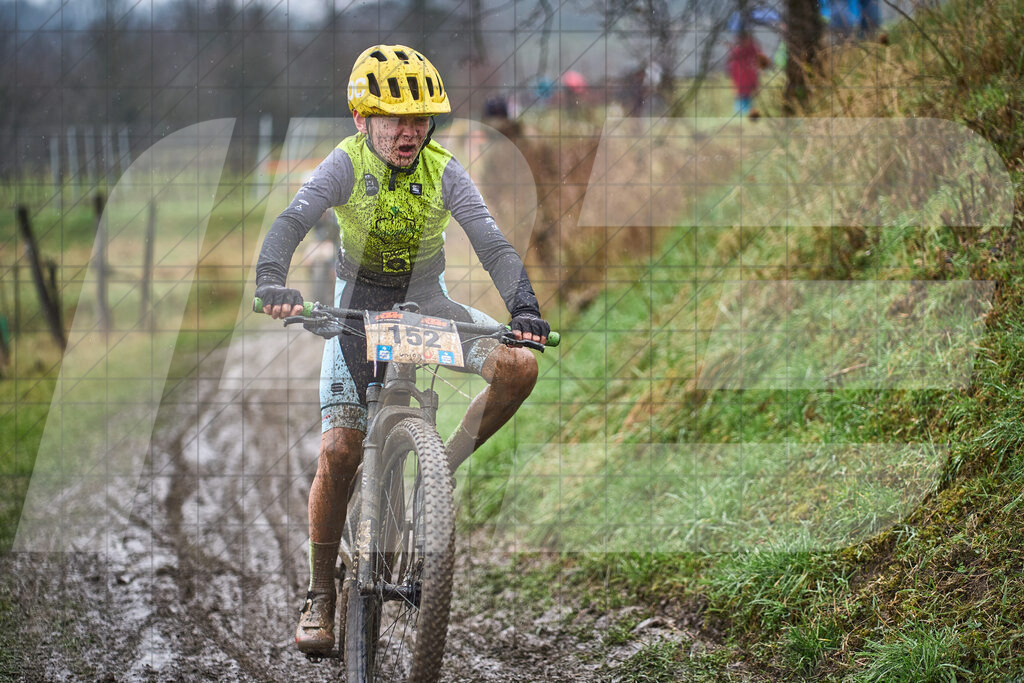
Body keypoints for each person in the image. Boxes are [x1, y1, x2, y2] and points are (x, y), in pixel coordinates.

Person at [253, 44, 549, 656]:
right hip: (356, 305)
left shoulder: (444, 168)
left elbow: (492, 243)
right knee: (339, 450)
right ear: (363, 119)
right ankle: (319, 593)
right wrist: (271, 280)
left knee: (518, 366)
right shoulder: (344, 163)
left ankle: (434, 476)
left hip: (425, 302)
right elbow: (291, 221)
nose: (410, 132)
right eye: (395, 118)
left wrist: (524, 308)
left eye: (420, 119)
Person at [726, 29, 767, 116]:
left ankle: (746, 114)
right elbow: (730, 63)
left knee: (749, 99)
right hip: (740, 81)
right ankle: (741, 115)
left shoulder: (754, 49)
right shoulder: (737, 50)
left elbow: (760, 61)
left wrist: (761, 71)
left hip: (750, 80)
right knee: (741, 100)